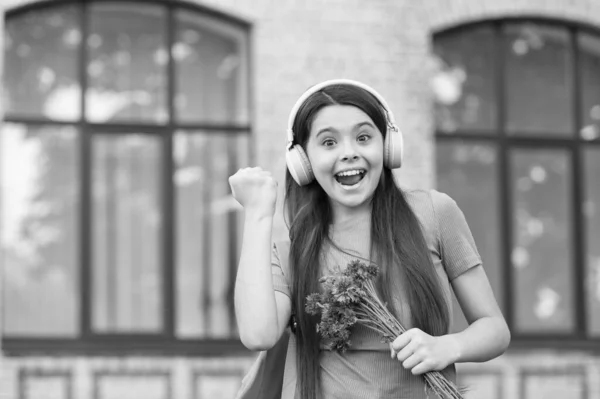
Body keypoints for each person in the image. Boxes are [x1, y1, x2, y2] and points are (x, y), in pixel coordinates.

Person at [229, 79, 510, 399]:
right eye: (329, 142)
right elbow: (257, 335)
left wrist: (448, 346)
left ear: (388, 146)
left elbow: (495, 329)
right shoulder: (293, 254)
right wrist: (256, 215)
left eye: (363, 137)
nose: (349, 153)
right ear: (303, 162)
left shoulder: (434, 213)